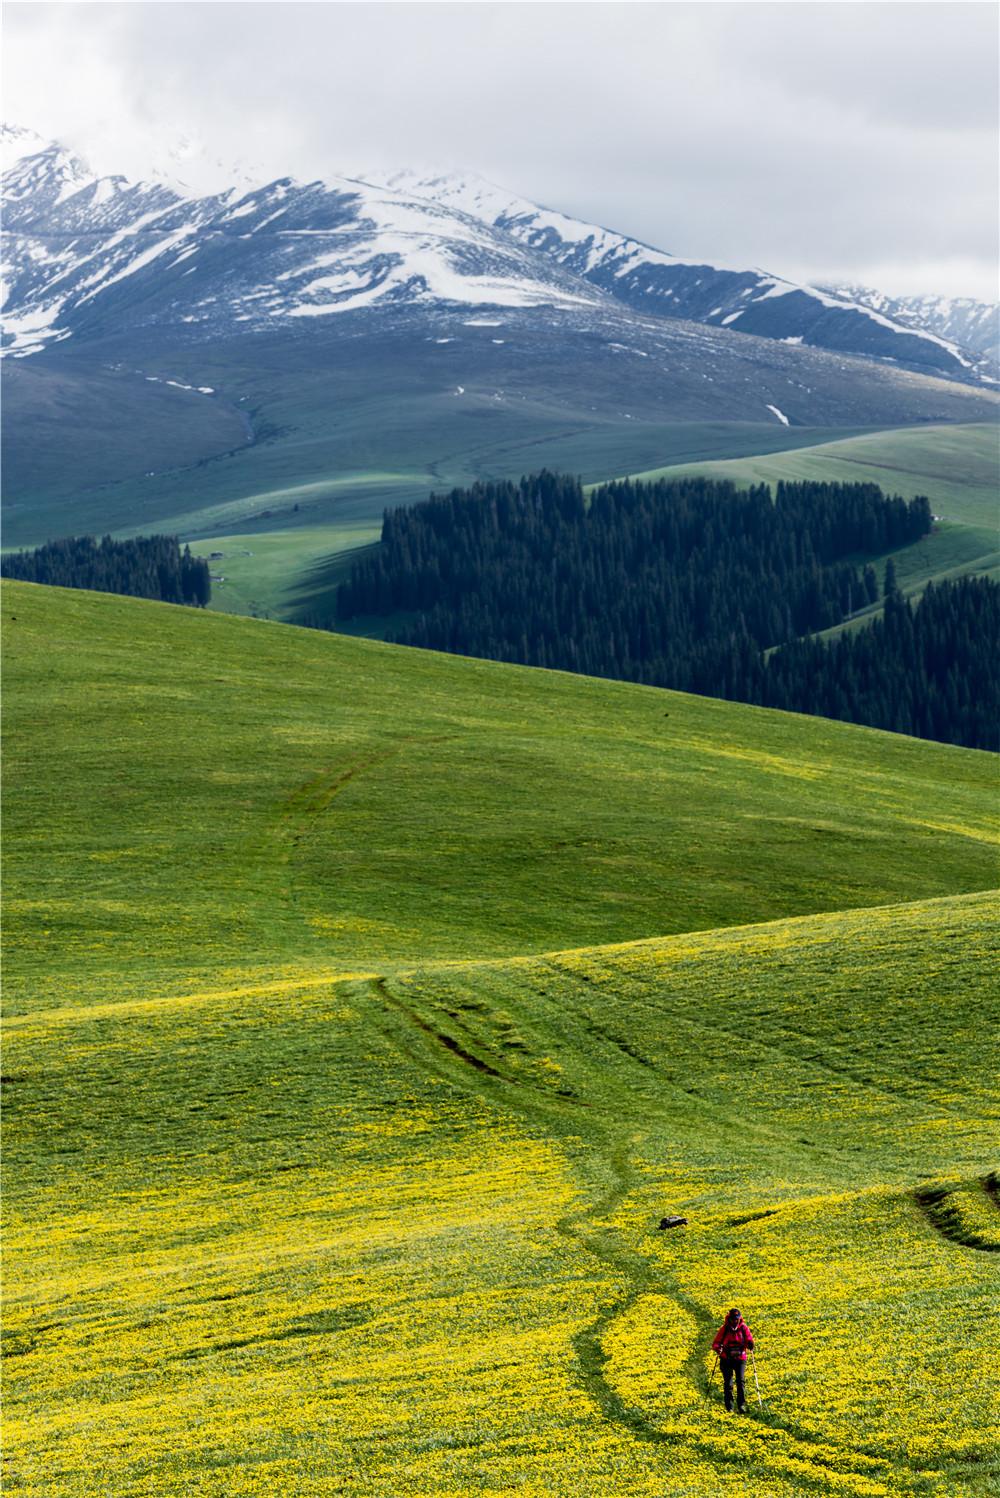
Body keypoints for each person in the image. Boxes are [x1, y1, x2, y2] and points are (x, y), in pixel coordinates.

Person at [712, 1306, 755, 1412]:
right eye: (733, 1319)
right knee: (728, 1383)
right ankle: (729, 1407)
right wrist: (718, 1349)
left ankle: (741, 1405)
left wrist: (750, 1344)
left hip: (740, 1358)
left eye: (737, 1319)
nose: (735, 1321)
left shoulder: (744, 1328)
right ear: (729, 1318)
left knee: (740, 1381)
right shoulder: (724, 1328)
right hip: (726, 1359)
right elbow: (716, 1343)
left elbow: (749, 1339)